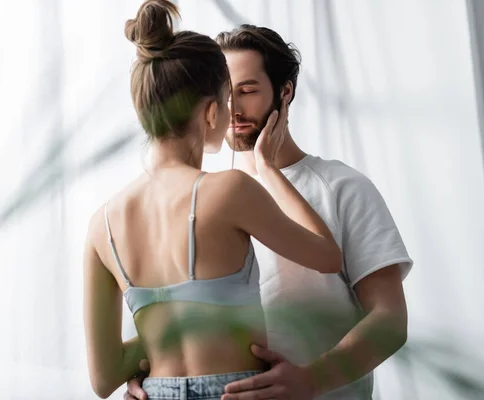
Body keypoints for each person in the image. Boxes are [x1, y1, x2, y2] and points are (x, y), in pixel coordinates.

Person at [125, 24, 414, 400]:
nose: (233, 108)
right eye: (225, 93)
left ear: (285, 92)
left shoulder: (342, 187)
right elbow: (178, 316)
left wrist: (310, 380)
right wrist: (151, 374)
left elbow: (389, 320)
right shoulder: (200, 195)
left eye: (247, 91)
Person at [83, 1, 343, 399]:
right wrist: (269, 169)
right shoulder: (230, 190)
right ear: (209, 113)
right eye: (225, 100)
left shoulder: (101, 224)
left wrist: (161, 331)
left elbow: (103, 381)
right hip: (237, 391)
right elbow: (328, 256)